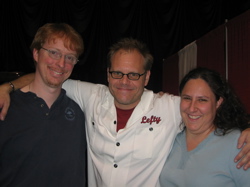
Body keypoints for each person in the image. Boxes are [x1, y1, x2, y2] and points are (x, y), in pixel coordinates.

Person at [0, 38, 250, 187]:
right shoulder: (91, 95)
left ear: (147, 76)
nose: (125, 81)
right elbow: (50, 77)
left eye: (134, 74)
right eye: (118, 73)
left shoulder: (172, 106)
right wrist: (7, 86)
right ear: (108, 74)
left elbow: (207, 109)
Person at [0, 23, 87, 187]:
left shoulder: (80, 112)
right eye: (54, 53)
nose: (61, 63)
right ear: (36, 53)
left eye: (70, 57)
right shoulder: (6, 108)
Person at [159, 67, 250, 187]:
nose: (192, 108)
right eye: (187, 98)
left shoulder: (238, 144)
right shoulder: (170, 139)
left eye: (202, 100)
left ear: (218, 102)